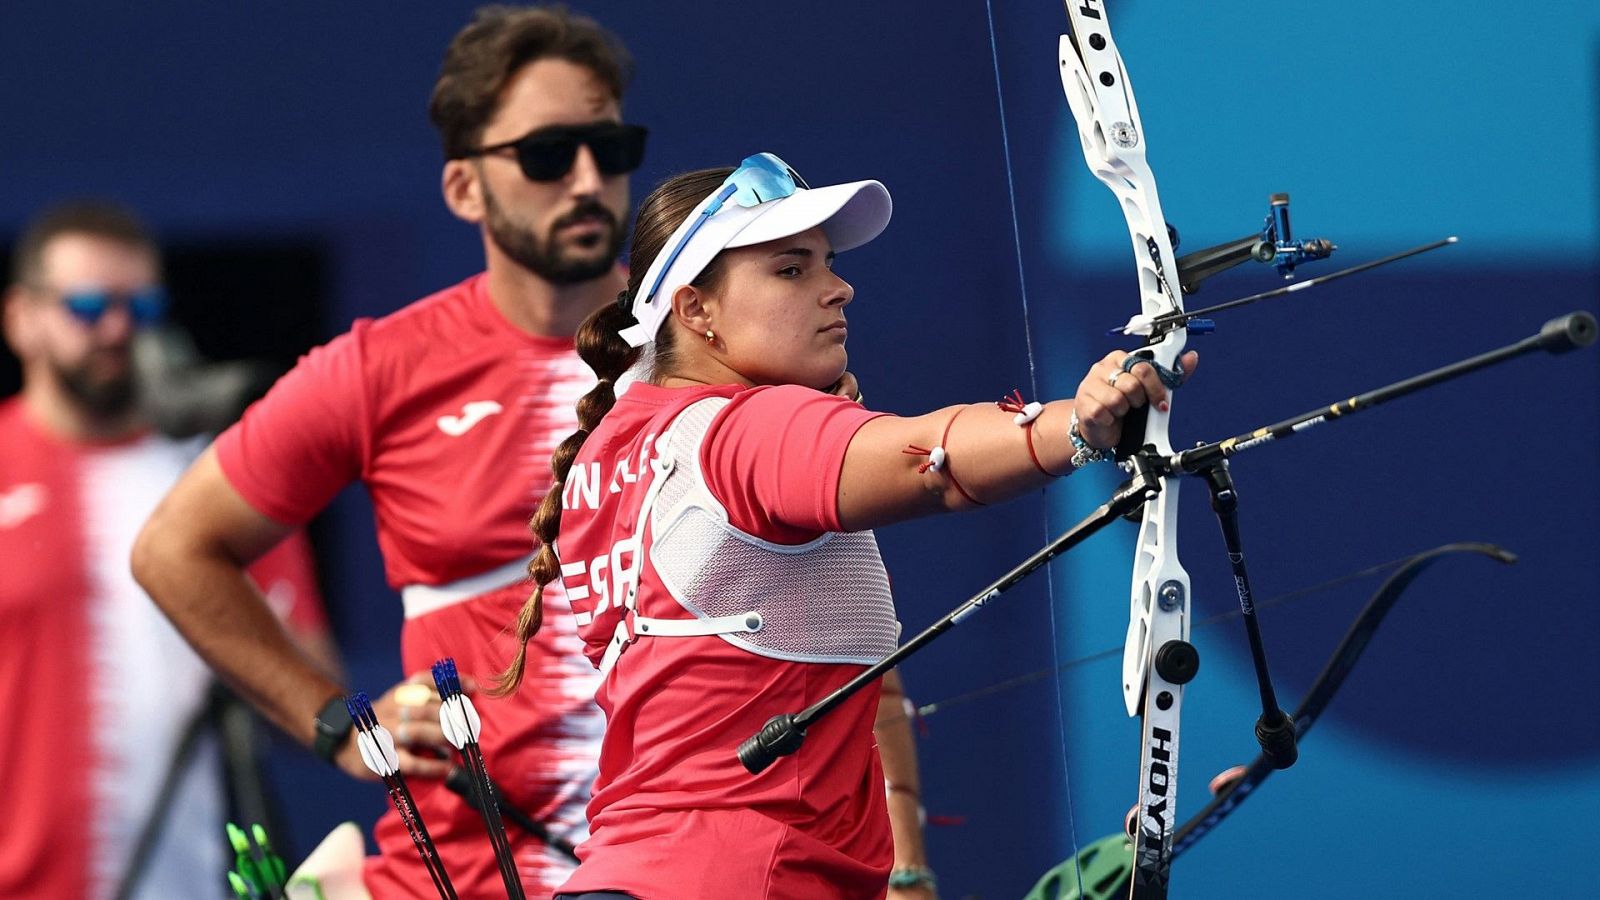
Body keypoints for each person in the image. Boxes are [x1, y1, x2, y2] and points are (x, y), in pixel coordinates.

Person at [132, 6, 934, 897]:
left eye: (609, 147)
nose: (588, 179)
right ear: (464, 188)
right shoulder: (378, 368)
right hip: (458, 879)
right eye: (548, 155)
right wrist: (335, 725)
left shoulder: (722, 339)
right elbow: (173, 548)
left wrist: (905, 862)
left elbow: (843, 621)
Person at [503, 152, 1198, 899]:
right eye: (790, 269)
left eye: (827, 263)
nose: (839, 288)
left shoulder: (609, 451)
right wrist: (1081, 425)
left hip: (618, 876)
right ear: (695, 310)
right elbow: (927, 462)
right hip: (741, 878)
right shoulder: (746, 430)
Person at [0, 200, 329, 899]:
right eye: (88, 306)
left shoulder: (218, 479)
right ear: (21, 318)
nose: (118, 329)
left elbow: (317, 697)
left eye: (142, 307)